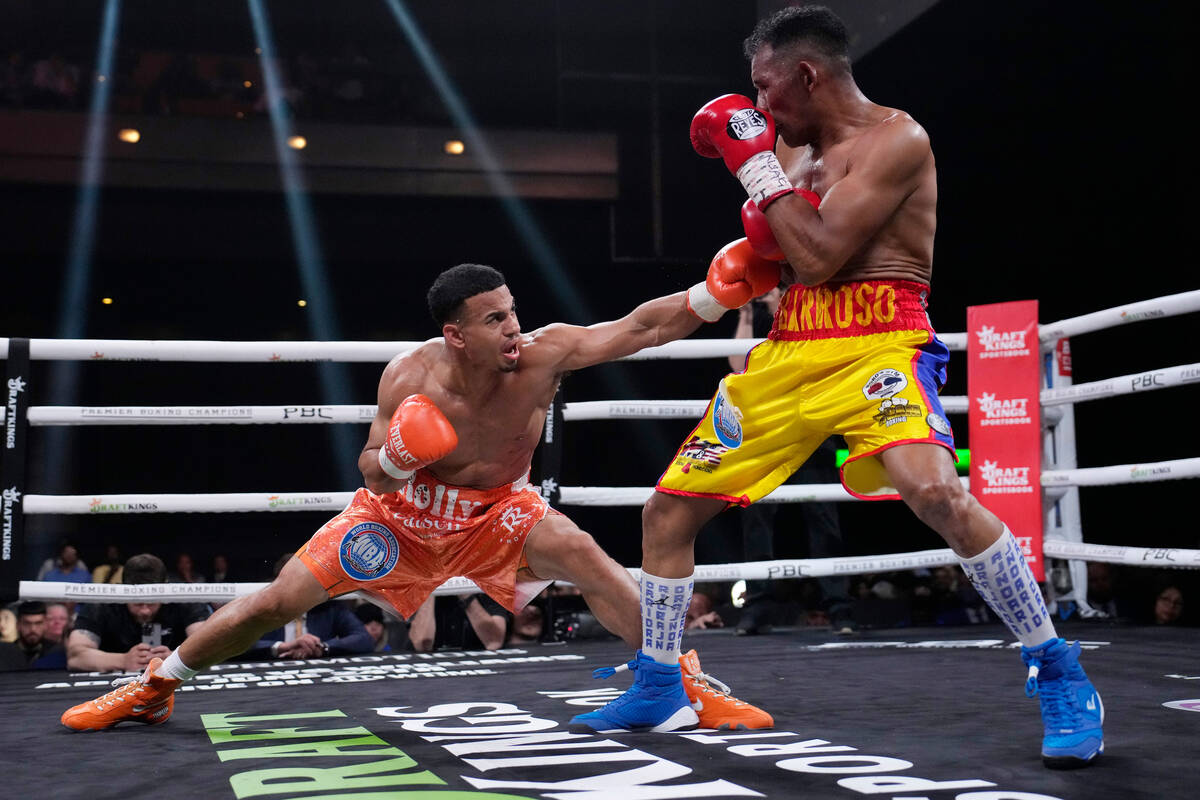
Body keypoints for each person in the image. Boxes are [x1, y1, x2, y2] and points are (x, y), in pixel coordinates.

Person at [576, 5, 1103, 769]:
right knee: (667, 510)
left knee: (933, 492)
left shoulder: (896, 138)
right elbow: (788, 261)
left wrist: (754, 169)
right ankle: (660, 683)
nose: (758, 110)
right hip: (793, 345)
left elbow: (821, 255)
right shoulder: (788, 153)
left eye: (766, 89)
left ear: (808, 74)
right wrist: (752, 255)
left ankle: (1056, 665)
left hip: (880, 339)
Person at [61, 261, 775, 732]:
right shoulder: (409, 378)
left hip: (499, 511)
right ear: (454, 334)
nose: (513, 329)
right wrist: (400, 457)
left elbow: (641, 329)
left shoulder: (545, 355)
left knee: (584, 553)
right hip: (399, 516)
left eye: (512, 311)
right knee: (278, 602)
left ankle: (681, 679)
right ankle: (155, 686)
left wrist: (716, 293)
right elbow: (371, 470)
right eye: (494, 320)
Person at [727, 287, 853, 635]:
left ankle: (838, 607)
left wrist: (784, 305)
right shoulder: (756, 322)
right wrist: (747, 316)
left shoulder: (813, 314)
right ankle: (757, 607)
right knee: (756, 521)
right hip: (766, 437)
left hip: (813, 432)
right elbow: (739, 366)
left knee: (824, 520)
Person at [65, 554, 210, 673]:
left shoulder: (184, 598)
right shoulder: (103, 603)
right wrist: (122, 660)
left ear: (165, 591)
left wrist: (176, 659)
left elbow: (208, 646)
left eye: (152, 602)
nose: (145, 610)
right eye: (137, 603)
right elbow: (76, 656)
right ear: (123, 591)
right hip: (113, 690)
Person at [239, 554, 374, 660]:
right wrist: (281, 647)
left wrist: (322, 647)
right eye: (291, 584)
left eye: (303, 583)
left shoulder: (330, 608)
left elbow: (363, 638)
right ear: (277, 585)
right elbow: (236, 642)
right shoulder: (263, 608)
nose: (298, 590)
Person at [0, 601, 66, 670]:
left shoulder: (56, 652)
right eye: (27, 623)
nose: (32, 629)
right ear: (18, 625)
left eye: (38, 623)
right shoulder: (6, 653)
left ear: (45, 624)